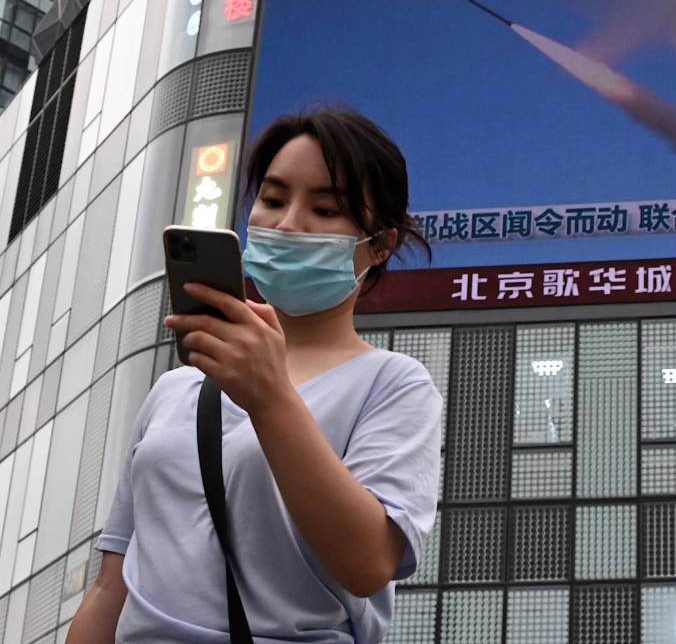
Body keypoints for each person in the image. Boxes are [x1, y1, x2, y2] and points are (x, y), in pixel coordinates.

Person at [66, 106, 442, 643]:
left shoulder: (393, 384)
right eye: (272, 199)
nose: (288, 223)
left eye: (326, 209)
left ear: (380, 245)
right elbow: (111, 588)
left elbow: (367, 563)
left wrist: (270, 398)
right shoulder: (178, 387)